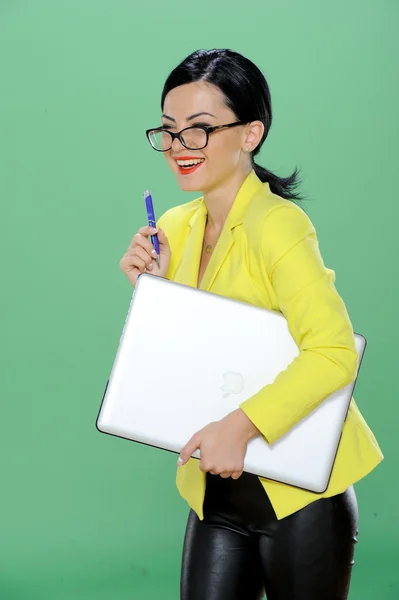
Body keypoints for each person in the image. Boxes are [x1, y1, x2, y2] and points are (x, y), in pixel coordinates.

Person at [120, 48, 383, 600]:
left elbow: (333, 352)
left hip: (300, 499)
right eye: (169, 131)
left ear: (250, 133)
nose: (178, 148)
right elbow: (195, 360)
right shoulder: (174, 227)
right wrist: (157, 295)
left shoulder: (280, 227)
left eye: (200, 130)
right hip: (216, 496)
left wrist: (240, 428)